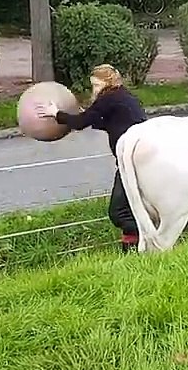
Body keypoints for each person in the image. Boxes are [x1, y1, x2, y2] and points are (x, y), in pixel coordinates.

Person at [36, 64, 148, 253]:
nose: (94, 89)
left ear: (106, 83)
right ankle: (136, 248)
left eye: (96, 85)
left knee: (118, 212)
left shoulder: (108, 97)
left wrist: (56, 114)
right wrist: (84, 115)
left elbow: (80, 123)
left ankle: (148, 238)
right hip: (143, 156)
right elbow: (107, 121)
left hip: (132, 160)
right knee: (131, 207)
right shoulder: (123, 95)